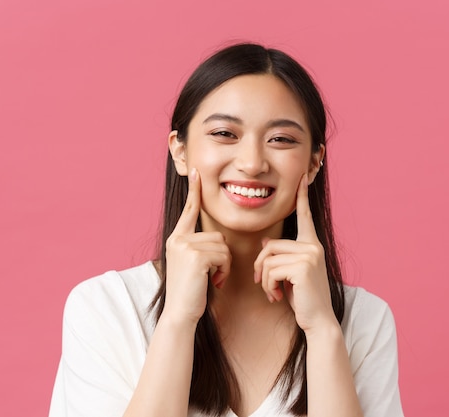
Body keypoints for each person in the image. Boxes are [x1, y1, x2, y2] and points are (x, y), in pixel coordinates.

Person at [49, 43, 404, 417]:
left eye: (281, 139)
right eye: (224, 134)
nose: (252, 163)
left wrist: (322, 331)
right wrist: (177, 321)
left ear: (314, 162)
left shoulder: (364, 321)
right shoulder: (106, 309)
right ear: (180, 151)